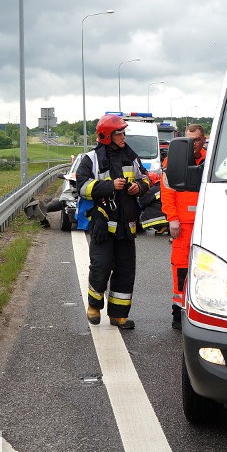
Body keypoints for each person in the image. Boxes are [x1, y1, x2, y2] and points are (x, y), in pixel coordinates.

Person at [76, 114, 150, 330]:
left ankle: (119, 315)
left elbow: (146, 177)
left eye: (123, 132)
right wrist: (109, 186)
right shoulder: (91, 159)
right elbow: (81, 187)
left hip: (126, 224)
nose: (123, 136)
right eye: (119, 133)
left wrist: (140, 186)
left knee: (126, 271)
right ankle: (93, 307)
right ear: (107, 135)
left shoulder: (130, 156)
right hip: (103, 225)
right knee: (101, 266)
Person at [161, 123, 207, 329]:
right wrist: (172, 218)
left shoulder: (211, 161)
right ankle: (178, 312)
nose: (193, 144)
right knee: (181, 268)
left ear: (203, 140)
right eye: (189, 140)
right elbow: (168, 193)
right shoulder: (172, 162)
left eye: (196, 140)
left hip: (206, 224)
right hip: (183, 224)